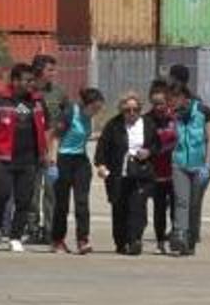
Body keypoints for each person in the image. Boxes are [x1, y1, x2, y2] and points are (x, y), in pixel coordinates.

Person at [0, 63, 50, 253]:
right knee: (1, 194)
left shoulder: (37, 101)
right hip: (4, 156)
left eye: (32, 80)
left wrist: (46, 152)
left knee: (24, 199)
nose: (31, 84)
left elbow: (47, 128)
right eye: (27, 80)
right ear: (15, 81)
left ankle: (15, 237)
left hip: (29, 159)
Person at [94, 91, 161, 255]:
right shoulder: (113, 125)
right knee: (120, 208)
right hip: (119, 173)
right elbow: (102, 147)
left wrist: (148, 152)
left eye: (135, 110)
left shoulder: (148, 124)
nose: (132, 113)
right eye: (127, 110)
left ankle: (135, 240)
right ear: (121, 110)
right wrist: (101, 165)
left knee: (138, 208)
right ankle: (121, 242)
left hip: (141, 173)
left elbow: (156, 145)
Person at [47, 87, 104, 255]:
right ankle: (57, 241)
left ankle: (82, 240)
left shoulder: (88, 118)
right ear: (85, 104)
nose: (96, 112)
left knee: (82, 203)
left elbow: (81, 136)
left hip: (80, 161)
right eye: (94, 108)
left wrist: (98, 135)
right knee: (62, 204)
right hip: (64, 159)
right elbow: (55, 137)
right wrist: (52, 163)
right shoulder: (70, 113)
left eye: (99, 109)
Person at [168, 78, 210, 256]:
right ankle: (180, 236)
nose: (171, 102)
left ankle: (191, 240)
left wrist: (207, 164)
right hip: (179, 163)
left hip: (200, 165)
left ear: (183, 97)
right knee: (181, 201)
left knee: (194, 204)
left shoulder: (203, 111)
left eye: (174, 98)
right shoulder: (174, 114)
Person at [25, 54, 68, 244]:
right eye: (50, 70)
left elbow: (69, 115)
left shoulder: (59, 92)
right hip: (30, 149)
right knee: (31, 192)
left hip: (53, 148)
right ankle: (32, 228)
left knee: (51, 191)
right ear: (39, 71)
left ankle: (49, 230)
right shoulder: (27, 92)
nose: (54, 73)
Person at [146, 80, 179, 255]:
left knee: (176, 208)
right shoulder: (147, 120)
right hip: (156, 172)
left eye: (161, 103)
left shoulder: (175, 118)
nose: (158, 107)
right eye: (155, 103)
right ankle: (160, 242)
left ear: (168, 102)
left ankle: (175, 238)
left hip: (174, 171)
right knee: (159, 209)